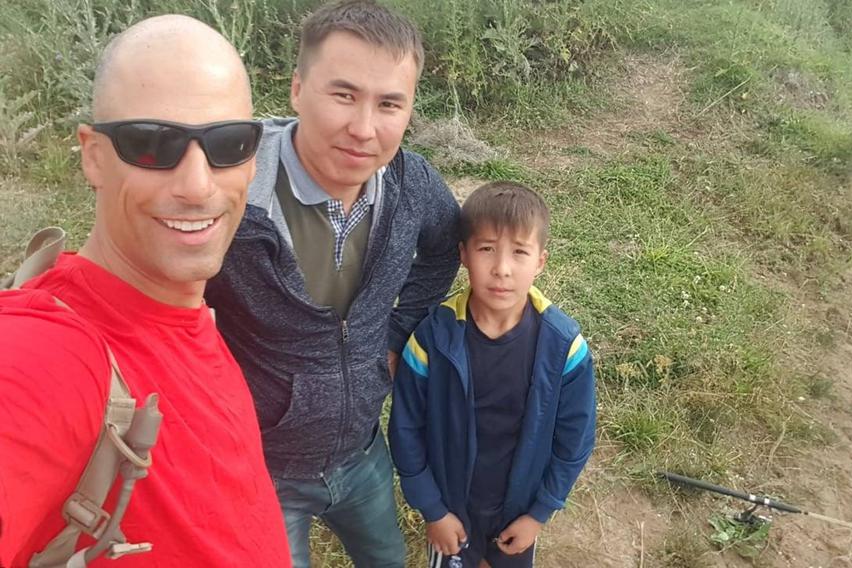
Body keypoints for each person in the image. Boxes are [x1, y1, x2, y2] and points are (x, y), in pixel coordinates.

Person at [0, 15, 291, 567]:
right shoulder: (49, 351)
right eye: (153, 145)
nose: (197, 184)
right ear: (93, 156)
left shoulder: (185, 308)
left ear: (252, 159)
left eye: (228, 143)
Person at [204, 1, 460, 566]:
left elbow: (445, 246)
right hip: (263, 467)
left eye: (389, 103)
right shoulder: (232, 194)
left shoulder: (410, 184)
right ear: (297, 89)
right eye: (343, 95)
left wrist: (396, 334)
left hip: (363, 450)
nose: (364, 129)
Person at [389, 181, 597, 568]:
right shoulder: (432, 339)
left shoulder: (564, 347)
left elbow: (575, 440)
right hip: (451, 510)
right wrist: (432, 510)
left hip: (518, 513)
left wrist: (539, 513)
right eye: (487, 249)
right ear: (463, 254)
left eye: (520, 252)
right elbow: (405, 431)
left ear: (540, 261)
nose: (502, 269)